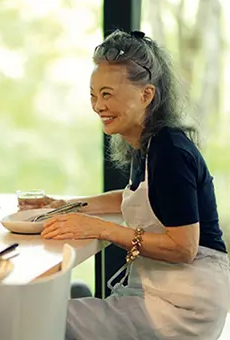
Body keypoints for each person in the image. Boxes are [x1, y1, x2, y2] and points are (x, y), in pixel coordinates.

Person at [37, 30, 230, 339]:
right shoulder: (152, 145)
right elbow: (136, 199)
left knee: (40, 320)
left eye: (108, 94)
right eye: (93, 95)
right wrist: (67, 206)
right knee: (68, 296)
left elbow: (184, 248)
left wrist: (100, 229)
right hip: (167, 292)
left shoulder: (170, 152)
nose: (98, 106)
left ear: (146, 95)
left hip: (184, 307)